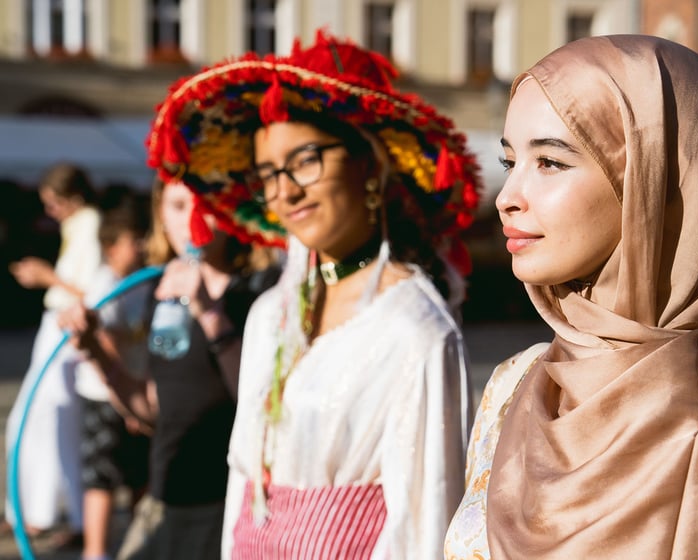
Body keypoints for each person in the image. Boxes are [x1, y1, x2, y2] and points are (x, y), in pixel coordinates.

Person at [444, 35, 698, 559]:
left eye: (551, 163)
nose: (507, 198)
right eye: (510, 160)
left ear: (659, 186)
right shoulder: (514, 384)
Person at [146, 31, 481, 558]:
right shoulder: (266, 316)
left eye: (305, 160)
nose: (286, 191)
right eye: (269, 174)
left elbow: (427, 517)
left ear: (368, 165)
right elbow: (243, 482)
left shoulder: (414, 331)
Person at [60, 178, 279, 560]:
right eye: (178, 207)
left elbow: (263, 406)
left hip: (223, 506)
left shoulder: (258, 293)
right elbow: (155, 409)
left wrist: (210, 313)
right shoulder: (161, 293)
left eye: (205, 209)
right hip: (165, 499)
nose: (191, 224)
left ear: (229, 214)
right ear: (161, 213)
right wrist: (94, 350)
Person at [6, 162, 102, 546]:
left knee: (55, 424)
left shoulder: (91, 224)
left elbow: (91, 292)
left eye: (54, 202)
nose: (50, 211)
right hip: (57, 327)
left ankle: (59, 516)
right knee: (38, 423)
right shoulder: (78, 226)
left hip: (67, 330)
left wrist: (47, 277)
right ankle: (36, 512)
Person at [59, 187, 152, 560]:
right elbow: (109, 341)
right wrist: (130, 400)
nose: (142, 245)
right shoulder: (106, 284)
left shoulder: (141, 283)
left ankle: (142, 543)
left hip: (130, 392)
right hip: (105, 395)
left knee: (137, 475)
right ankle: (96, 551)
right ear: (111, 246)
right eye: (134, 240)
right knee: (102, 477)